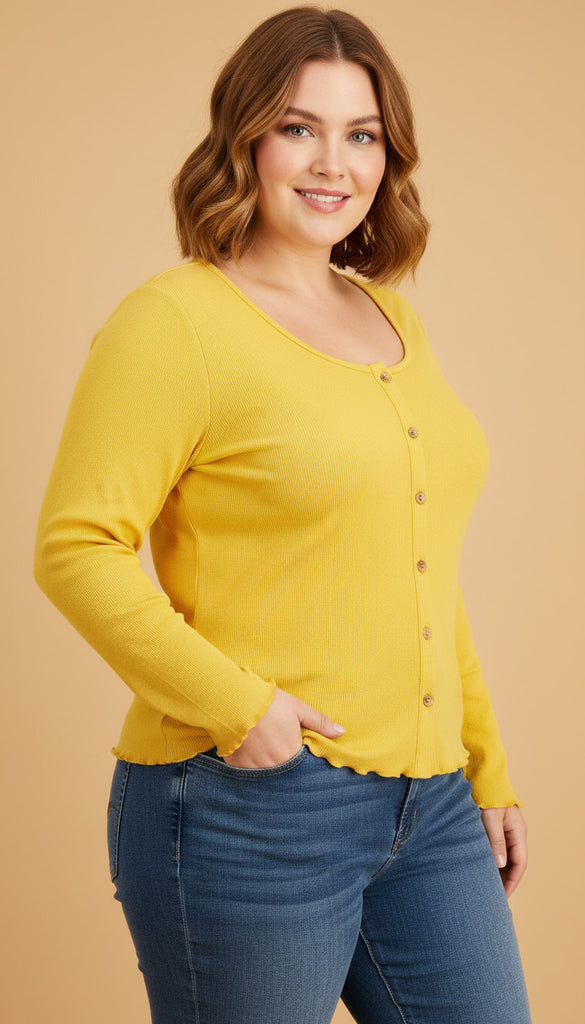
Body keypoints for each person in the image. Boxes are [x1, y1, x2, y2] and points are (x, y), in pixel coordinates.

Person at [34, 7, 532, 1023]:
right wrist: (240, 708)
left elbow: (424, 565)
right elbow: (75, 547)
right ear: (246, 139)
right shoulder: (174, 322)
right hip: (248, 803)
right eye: (300, 127)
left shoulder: (394, 316)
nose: (332, 163)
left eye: (362, 135)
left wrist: (485, 763)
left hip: (429, 805)